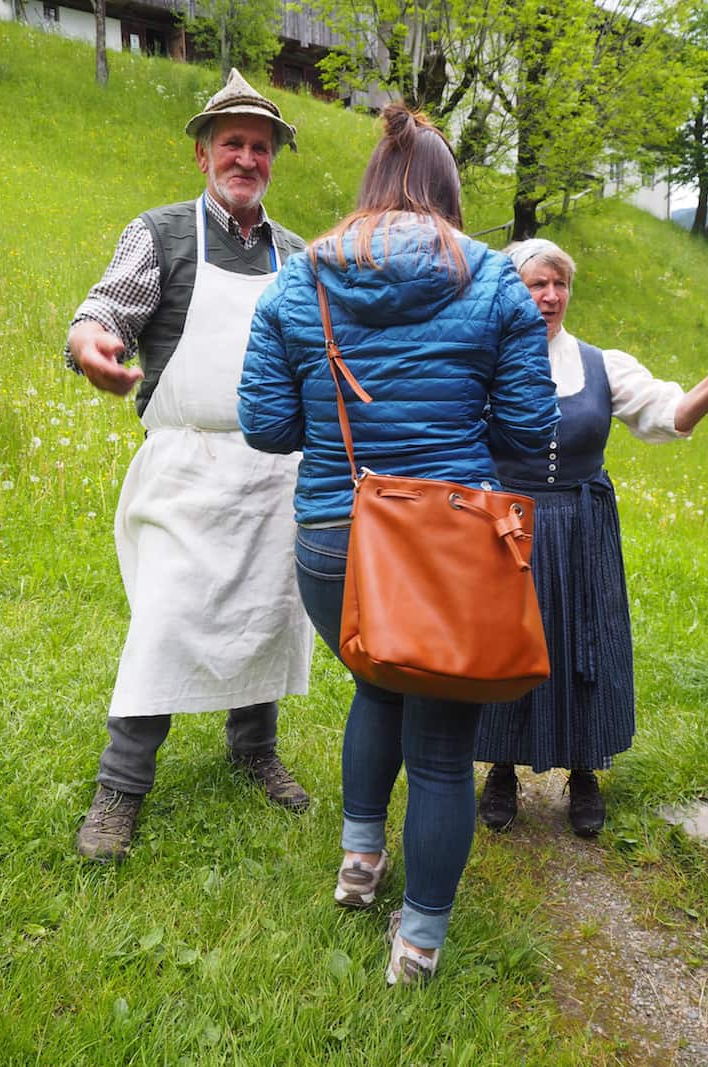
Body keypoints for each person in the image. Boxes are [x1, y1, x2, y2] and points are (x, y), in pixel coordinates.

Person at [237, 104, 559, 984]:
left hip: (334, 537)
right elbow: (532, 436)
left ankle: (358, 862)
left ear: (370, 183)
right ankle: (417, 942)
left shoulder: (298, 280)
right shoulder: (495, 279)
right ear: (451, 192)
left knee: (377, 684)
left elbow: (265, 426)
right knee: (445, 747)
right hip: (451, 541)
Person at [66, 69, 314, 863]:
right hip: (187, 462)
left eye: (260, 146)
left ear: (274, 158)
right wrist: (91, 347)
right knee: (167, 619)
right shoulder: (163, 233)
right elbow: (105, 311)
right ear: (203, 157)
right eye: (232, 144)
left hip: (277, 469)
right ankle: (120, 786)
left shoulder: (298, 256)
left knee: (272, 610)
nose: (247, 157)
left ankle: (254, 748)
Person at [476, 238, 708, 837]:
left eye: (558, 284)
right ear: (509, 293)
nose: (548, 296)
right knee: (505, 645)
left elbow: (671, 416)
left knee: (584, 642)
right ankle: (499, 766)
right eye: (534, 284)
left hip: (581, 524)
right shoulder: (484, 362)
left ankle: (585, 766)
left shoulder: (601, 365)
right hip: (507, 527)